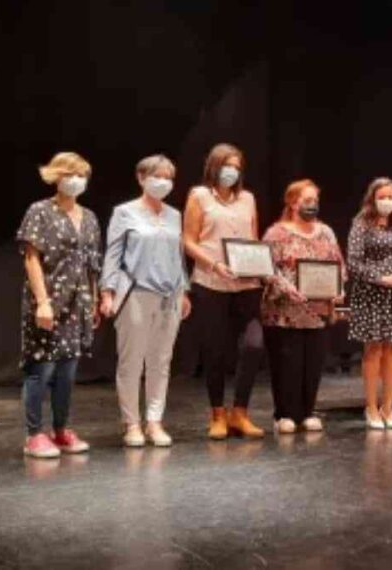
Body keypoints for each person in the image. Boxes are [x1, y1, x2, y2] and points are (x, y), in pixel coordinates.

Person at [100, 155, 192, 447]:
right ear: (141, 178)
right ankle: (131, 424)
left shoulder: (174, 215)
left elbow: (178, 256)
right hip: (136, 293)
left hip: (170, 295)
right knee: (132, 361)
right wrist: (107, 291)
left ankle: (154, 421)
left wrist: (184, 290)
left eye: (168, 177)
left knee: (161, 361)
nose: (163, 182)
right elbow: (113, 254)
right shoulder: (124, 212)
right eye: (157, 176)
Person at [16, 152, 101, 458]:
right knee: (42, 369)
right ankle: (34, 434)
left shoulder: (89, 217)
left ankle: (61, 429)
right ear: (55, 176)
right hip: (49, 302)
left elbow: (92, 264)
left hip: (78, 304)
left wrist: (93, 299)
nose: (76, 180)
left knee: (67, 371)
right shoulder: (39, 211)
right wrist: (42, 303)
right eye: (69, 173)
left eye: (81, 174)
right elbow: (31, 257)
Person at [182, 143, 265, 439]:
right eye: (227, 165)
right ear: (214, 167)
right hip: (211, 281)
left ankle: (240, 412)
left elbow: (253, 239)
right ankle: (217, 413)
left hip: (246, 283)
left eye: (237, 166)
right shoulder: (200, 196)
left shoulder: (248, 199)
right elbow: (188, 241)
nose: (233, 171)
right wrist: (215, 265)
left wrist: (258, 265)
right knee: (215, 350)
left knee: (254, 345)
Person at [262, 179, 344, 434]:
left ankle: (308, 411)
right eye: (307, 201)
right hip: (284, 312)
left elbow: (339, 265)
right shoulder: (276, 233)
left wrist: (339, 289)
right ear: (292, 202)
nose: (313, 205)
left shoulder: (326, 232)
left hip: (317, 312)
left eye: (315, 201)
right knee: (287, 363)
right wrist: (288, 289)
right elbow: (266, 269)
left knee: (313, 363)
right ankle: (284, 414)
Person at [347, 177, 392, 430]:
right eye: (382, 197)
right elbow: (354, 263)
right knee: (374, 350)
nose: (387, 201)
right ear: (372, 199)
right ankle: (371, 407)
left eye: (391, 197)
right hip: (372, 294)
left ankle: (388, 407)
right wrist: (381, 279)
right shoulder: (361, 224)